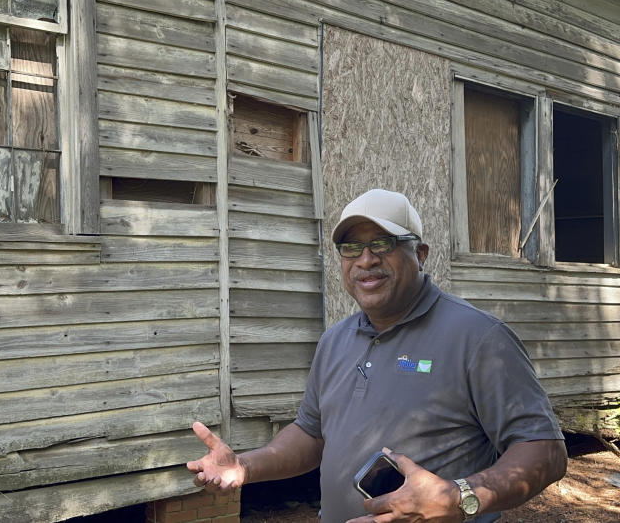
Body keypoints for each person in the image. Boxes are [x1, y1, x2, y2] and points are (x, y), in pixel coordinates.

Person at [188, 189, 567, 522]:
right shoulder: (335, 340)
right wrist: (245, 466)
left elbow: (545, 451)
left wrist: (460, 497)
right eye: (351, 248)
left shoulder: (479, 337)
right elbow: (311, 434)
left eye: (382, 243)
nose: (365, 260)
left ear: (419, 254)